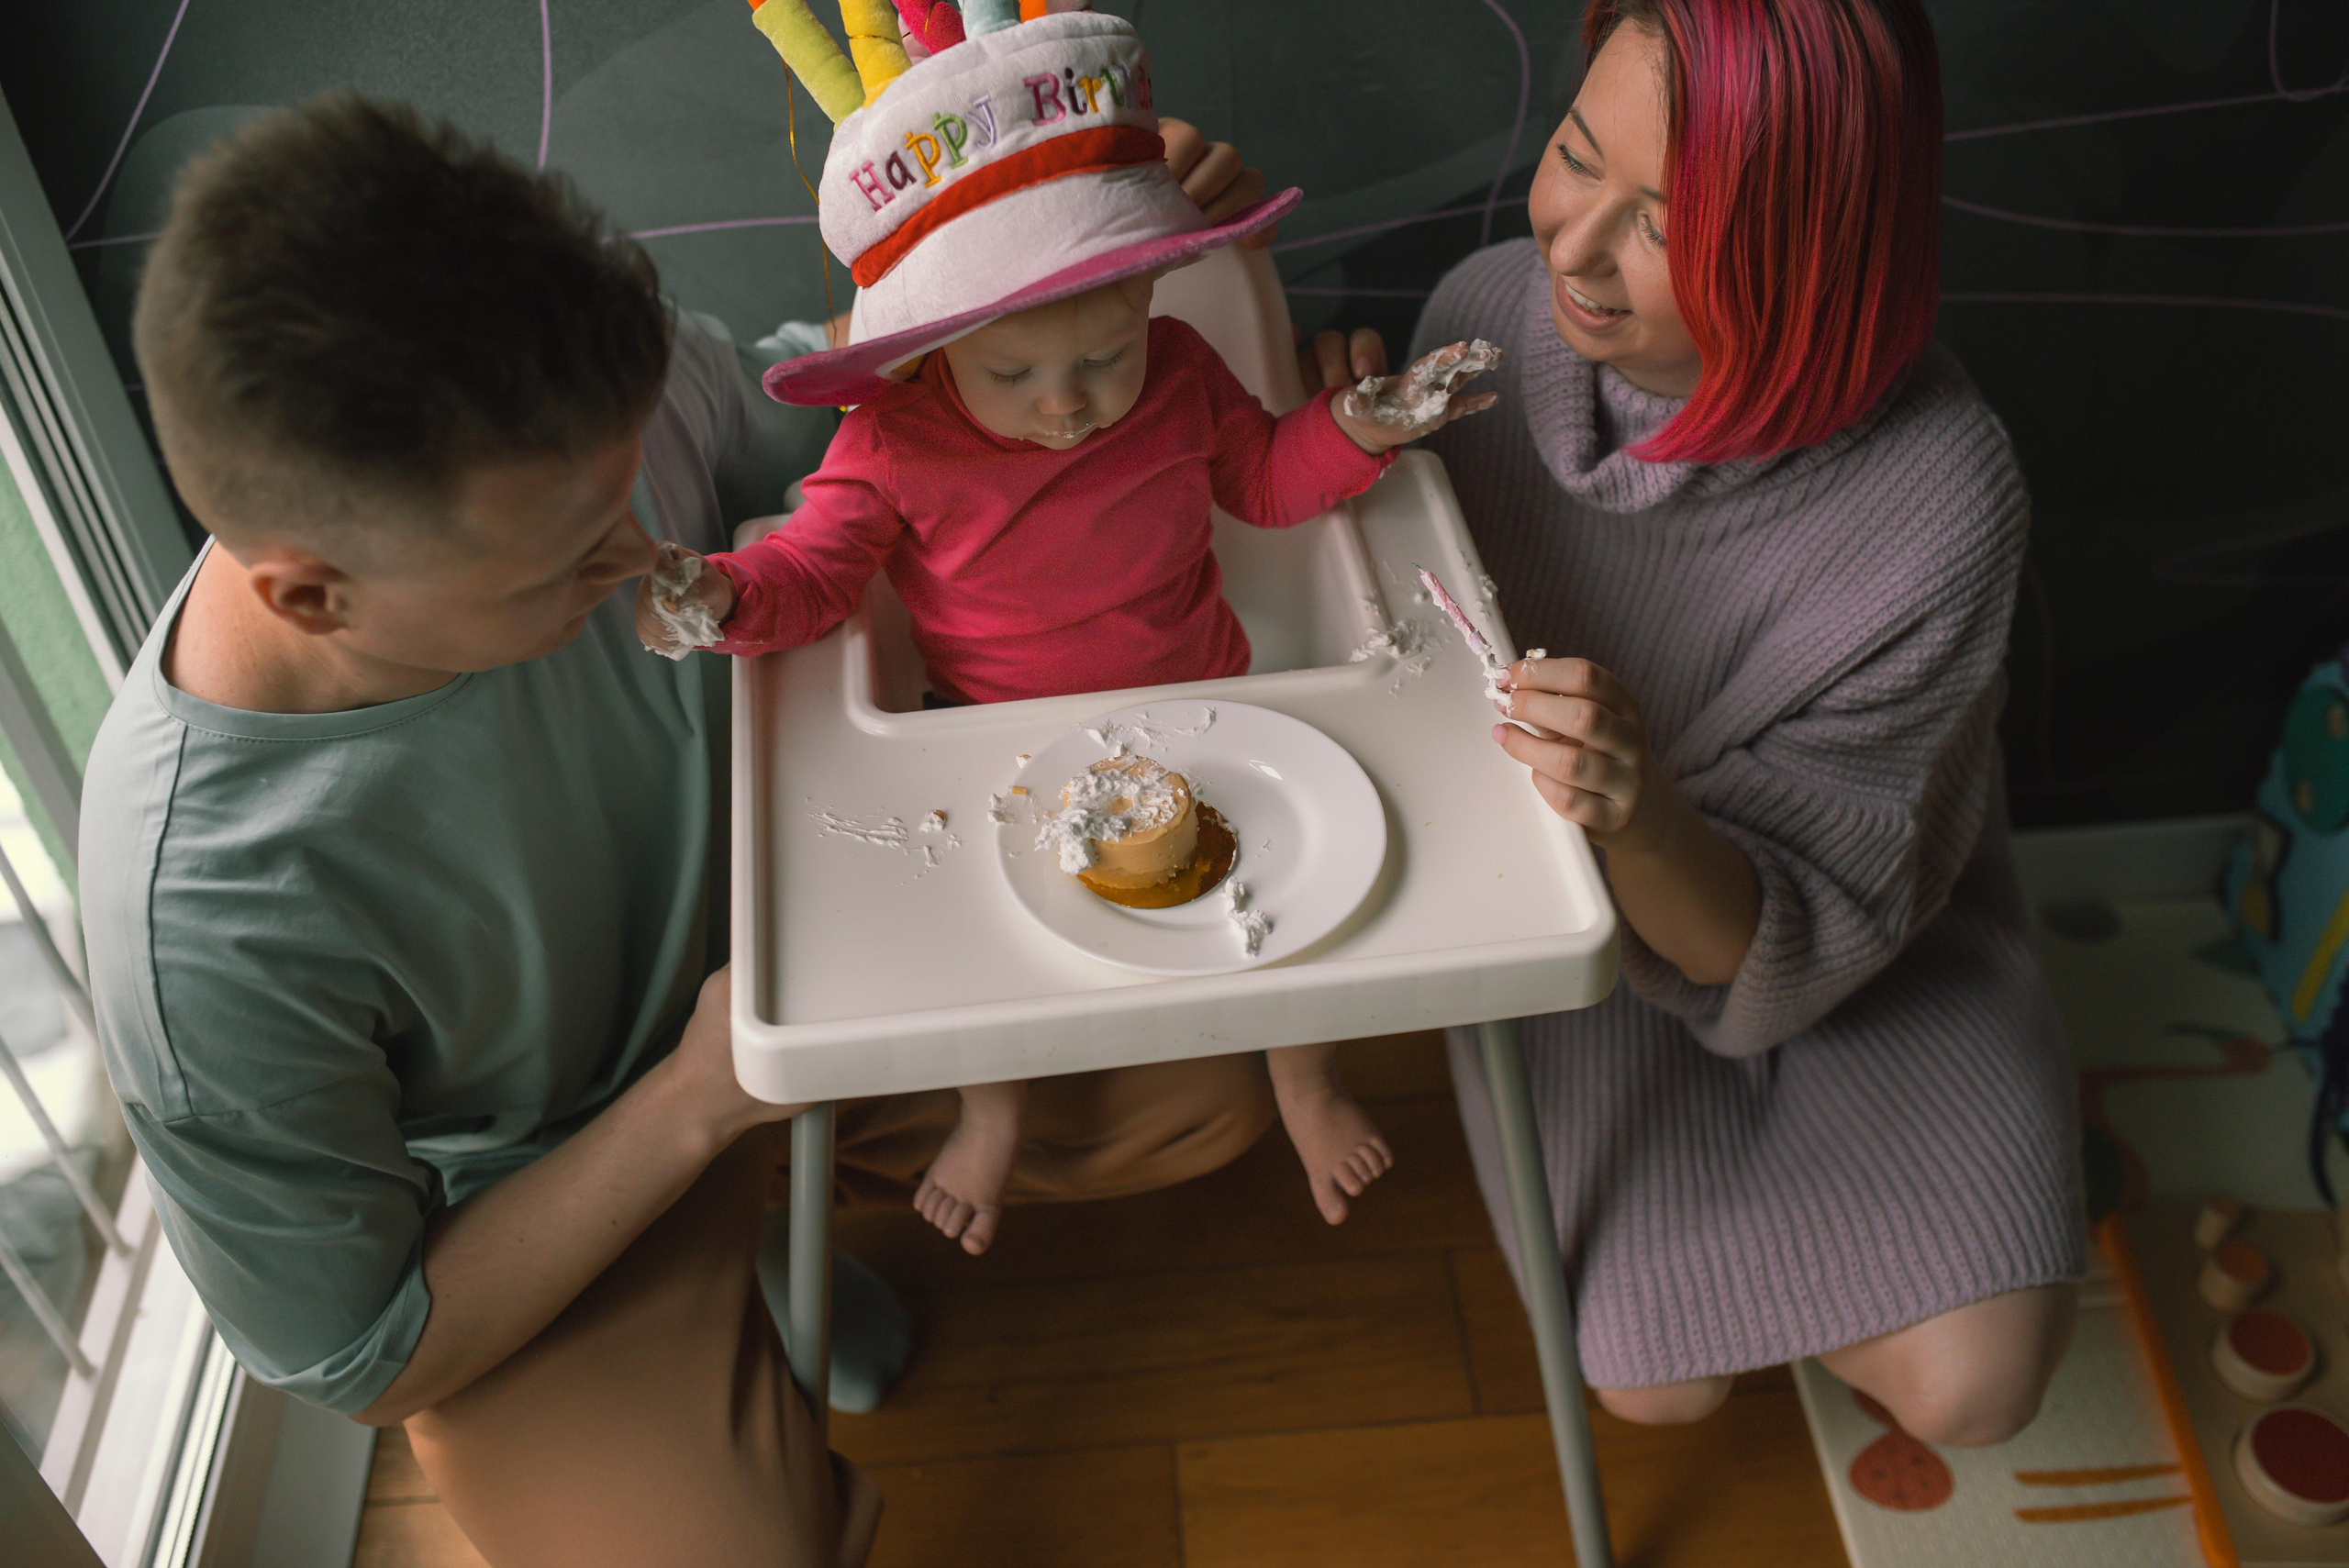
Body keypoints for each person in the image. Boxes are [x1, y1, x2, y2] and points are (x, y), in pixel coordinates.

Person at [77, 91, 1276, 1568]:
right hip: (561, 1189)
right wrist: (701, 1097)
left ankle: (778, 1234)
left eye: (625, 487)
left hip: (814, 954)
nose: (647, 554)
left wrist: (1067, 257)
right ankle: (718, 1297)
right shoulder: (200, 922)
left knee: (1216, 1083)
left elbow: (839, 421)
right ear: (314, 595)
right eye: (569, 564)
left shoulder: (579, 403)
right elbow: (366, 1350)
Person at [1301, 0, 2084, 1446]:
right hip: (1581, 935)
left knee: (1971, 1391)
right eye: (1573, 154)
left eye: (1663, 224)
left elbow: (1794, 923)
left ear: (1812, 252)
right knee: (1654, 1387)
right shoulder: (1483, 322)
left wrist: (1647, 809)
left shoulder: (1943, 496)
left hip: (1852, 936)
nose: (1575, 247)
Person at [637, 8, 1499, 1254]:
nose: (1069, 407)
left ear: (1152, 292)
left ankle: (1304, 1078)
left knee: (1279, 893)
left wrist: (1362, 425)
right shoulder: (892, 438)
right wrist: (724, 597)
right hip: (989, 733)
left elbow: (1265, 482)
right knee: (983, 947)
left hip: (1205, 701)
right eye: (1015, 377)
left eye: (1104, 357)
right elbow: (814, 574)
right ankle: (994, 1108)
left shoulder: (1181, 370)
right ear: (935, 346)